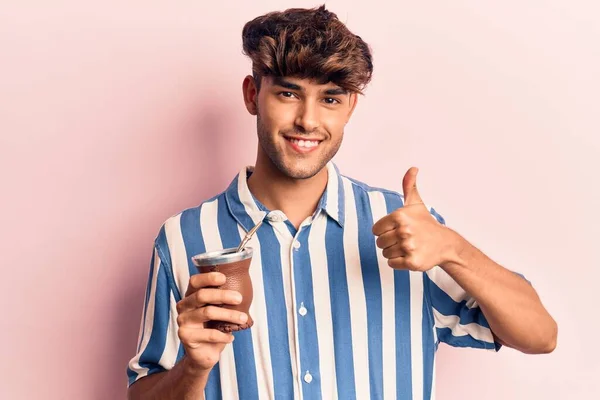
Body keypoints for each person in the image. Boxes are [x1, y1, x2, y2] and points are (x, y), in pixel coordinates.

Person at [126, 5, 557, 399]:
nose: (308, 121)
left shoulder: (408, 231)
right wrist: (193, 369)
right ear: (252, 95)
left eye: (329, 99)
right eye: (288, 93)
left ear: (349, 107)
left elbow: (541, 335)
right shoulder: (184, 239)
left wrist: (453, 249)